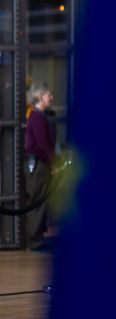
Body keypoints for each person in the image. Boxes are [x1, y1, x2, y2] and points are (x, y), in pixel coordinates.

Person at [24, 82, 56, 248]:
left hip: (39, 163)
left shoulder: (39, 116)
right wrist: (54, 163)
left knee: (40, 200)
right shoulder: (37, 117)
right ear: (39, 97)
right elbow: (43, 145)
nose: (51, 97)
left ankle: (37, 236)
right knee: (38, 200)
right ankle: (34, 239)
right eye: (48, 94)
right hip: (39, 165)